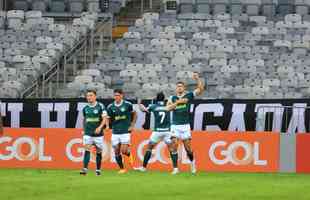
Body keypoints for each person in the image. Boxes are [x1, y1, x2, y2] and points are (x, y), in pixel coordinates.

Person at [134, 92, 184, 173]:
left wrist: (139, 103)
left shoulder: (153, 106)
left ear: (156, 98)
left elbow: (144, 110)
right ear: (164, 99)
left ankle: (143, 167)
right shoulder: (168, 105)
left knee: (149, 148)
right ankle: (175, 169)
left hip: (157, 131)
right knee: (172, 149)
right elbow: (177, 107)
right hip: (167, 131)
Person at [168, 72, 205, 174]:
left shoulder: (189, 95)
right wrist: (177, 103)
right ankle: (175, 168)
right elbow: (168, 108)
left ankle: (192, 163)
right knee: (174, 144)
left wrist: (197, 79)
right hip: (175, 125)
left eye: (181, 86)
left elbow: (200, 89)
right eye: (178, 87)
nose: (179, 88)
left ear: (184, 88)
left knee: (187, 148)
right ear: (176, 89)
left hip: (185, 125)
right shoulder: (172, 98)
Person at [106, 89, 137, 174]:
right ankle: (122, 168)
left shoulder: (128, 104)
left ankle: (129, 154)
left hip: (125, 131)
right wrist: (108, 126)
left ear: (122, 95)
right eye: (115, 95)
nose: (116, 97)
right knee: (116, 150)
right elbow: (108, 118)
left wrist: (132, 125)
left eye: (118, 95)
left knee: (123, 150)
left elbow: (135, 114)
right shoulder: (110, 107)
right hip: (115, 132)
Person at [80, 90, 107, 176]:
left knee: (99, 151)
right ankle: (84, 169)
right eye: (87, 96)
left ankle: (98, 169)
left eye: (91, 95)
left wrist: (100, 127)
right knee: (87, 149)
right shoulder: (85, 108)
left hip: (98, 134)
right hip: (88, 133)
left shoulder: (100, 106)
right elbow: (85, 119)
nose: (89, 97)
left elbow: (104, 118)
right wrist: (83, 129)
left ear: (95, 96)